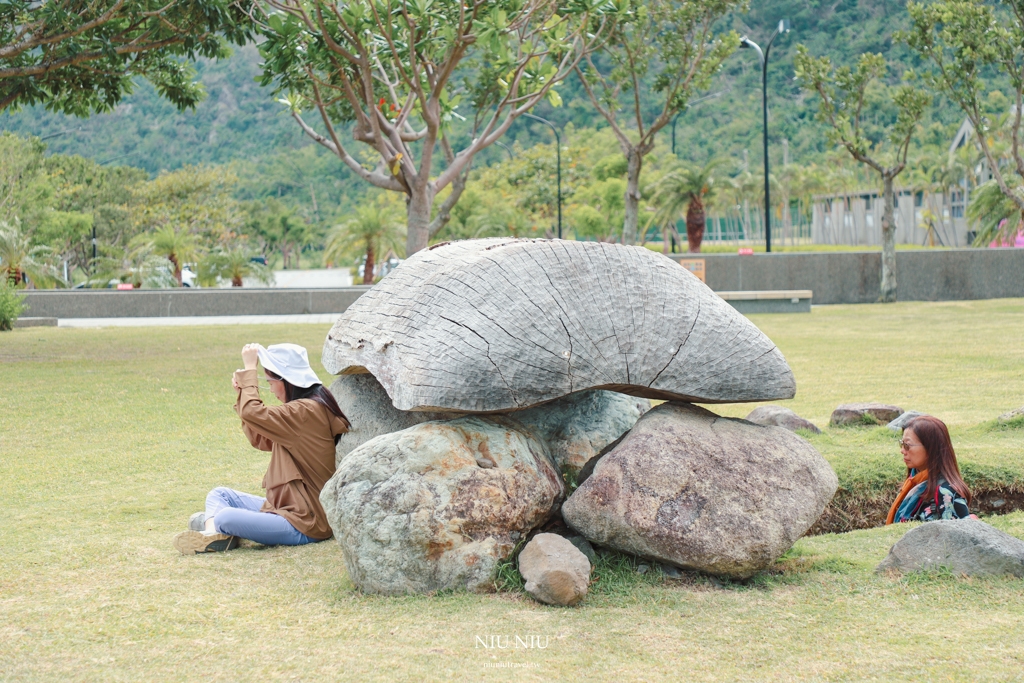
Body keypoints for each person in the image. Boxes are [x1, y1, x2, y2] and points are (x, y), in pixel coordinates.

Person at [173, 343, 350, 554]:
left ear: (286, 381)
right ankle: (213, 535)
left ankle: (215, 527)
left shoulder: (306, 412)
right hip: (284, 509)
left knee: (224, 516)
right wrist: (242, 392)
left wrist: (250, 370)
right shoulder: (303, 409)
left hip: (306, 523)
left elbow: (253, 413)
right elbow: (260, 438)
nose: (271, 389)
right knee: (219, 495)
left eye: (270, 382)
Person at [886, 415, 971, 524]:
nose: (902, 450)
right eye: (901, 444)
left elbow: (957, 536)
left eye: (907, 445)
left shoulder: (946, 493)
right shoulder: (913, 482)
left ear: (931, 448)